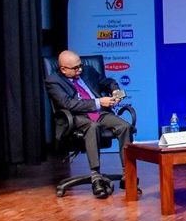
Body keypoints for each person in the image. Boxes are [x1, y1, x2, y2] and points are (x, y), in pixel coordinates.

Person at [45, 50, 131, 199]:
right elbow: (68, 104)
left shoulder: (88, 71)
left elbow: (107, 81)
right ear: (63, 69)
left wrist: (115, 91)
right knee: (93, 127)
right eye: (75, 68)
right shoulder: (53, 81)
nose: (80, 69)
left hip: (99, 113)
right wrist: (98, 102)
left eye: (80, 65)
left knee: (125, 127)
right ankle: (96, 177)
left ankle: (128, 173)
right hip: (75, 117)